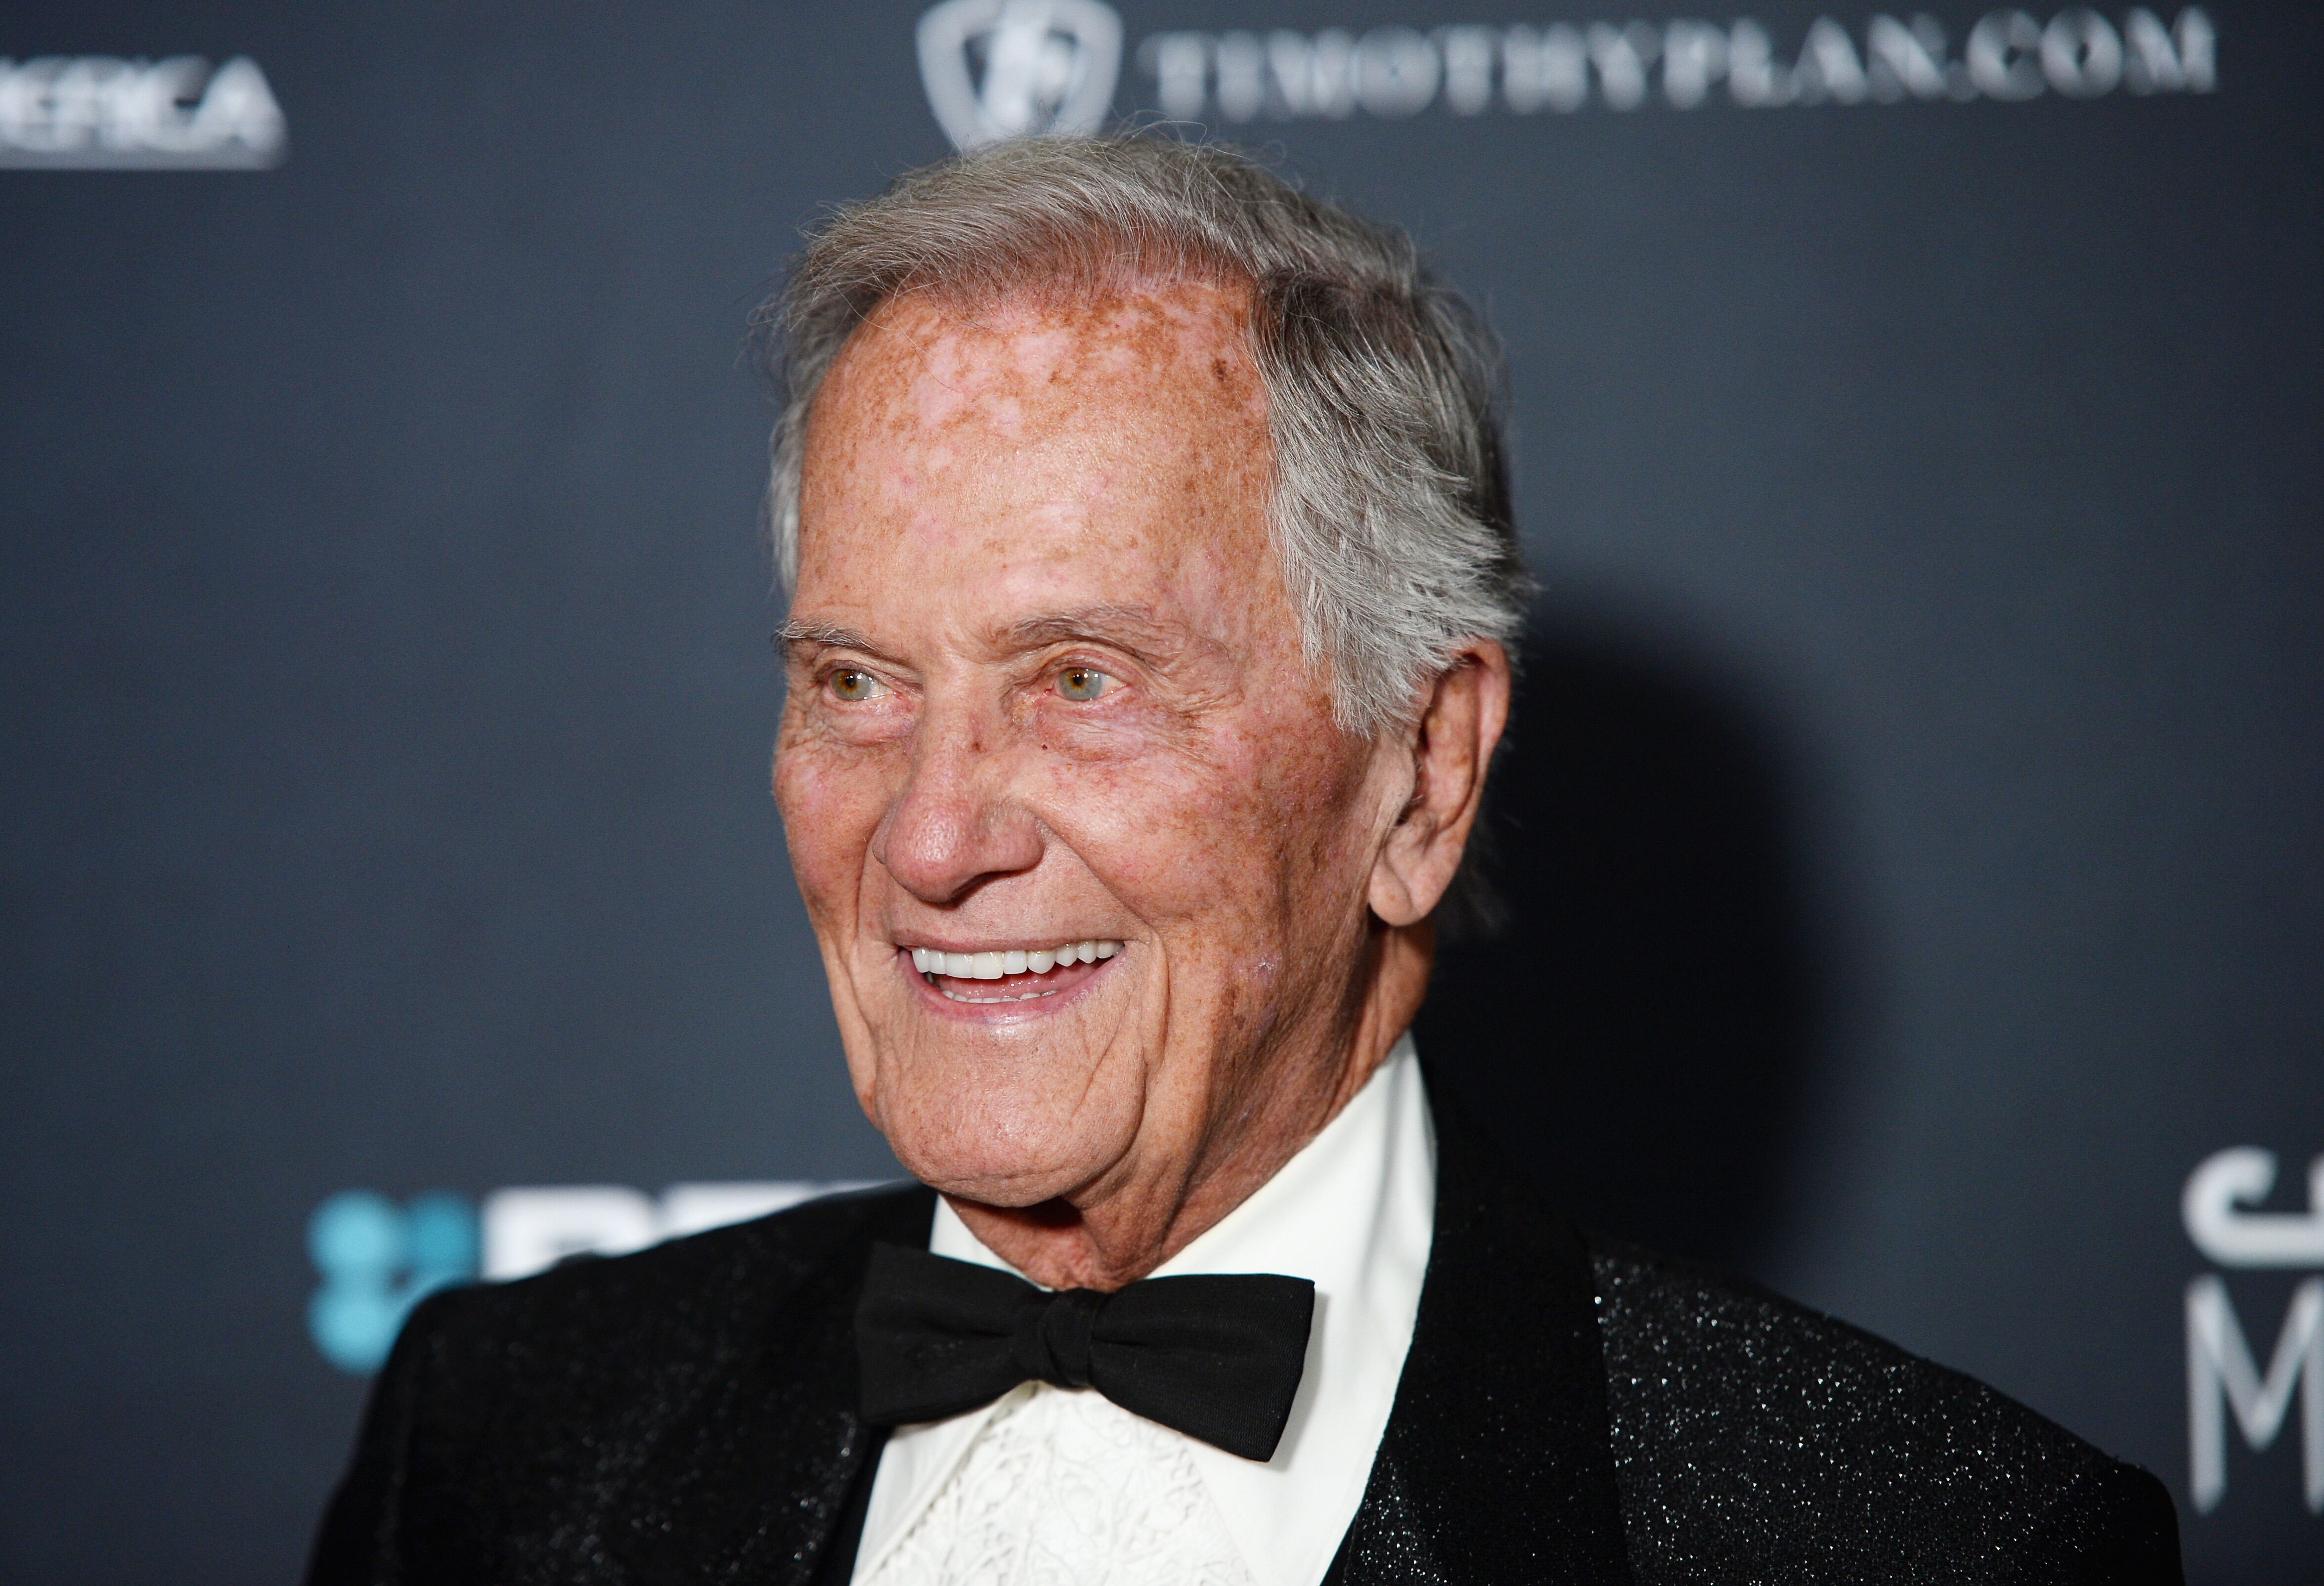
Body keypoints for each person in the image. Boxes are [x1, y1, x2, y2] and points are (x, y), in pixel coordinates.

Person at [305, 136, 2181, 1586]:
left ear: (1423, 773)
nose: (936, 835)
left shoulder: (1921, 1542)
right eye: (858, 682)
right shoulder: (506, 1438)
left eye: (1084, 679)